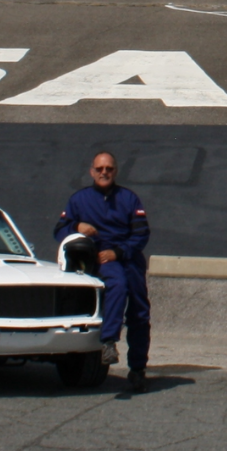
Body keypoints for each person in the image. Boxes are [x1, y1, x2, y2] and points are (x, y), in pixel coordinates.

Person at [54, 151, 151, 393]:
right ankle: (109, 342)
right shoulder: (79, 200)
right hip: (100, 260)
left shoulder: (129, 199)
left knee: (140, 314)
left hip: (128, 259)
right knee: (116, 285)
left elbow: (141, 234)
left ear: (115, 171)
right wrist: (77, 226)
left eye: (108, 168)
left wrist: (118, 252)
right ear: (91, 171)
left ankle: (138, 369)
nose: (104, 173)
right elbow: (59, 230)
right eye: (99, 169)